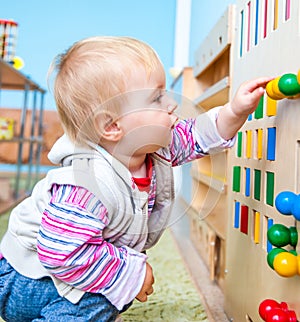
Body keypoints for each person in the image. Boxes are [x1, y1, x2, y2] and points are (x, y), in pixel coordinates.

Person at [0, 36, 272, 322]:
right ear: (112, 126)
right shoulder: (86, 185)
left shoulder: (155, 150)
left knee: (119, 288)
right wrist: (129, 272)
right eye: (157, 97)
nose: (171, 105)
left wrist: (235, 112)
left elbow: (197, 136)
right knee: (109, 292)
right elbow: (60, 254)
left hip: (52, 271)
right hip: (24, 278)